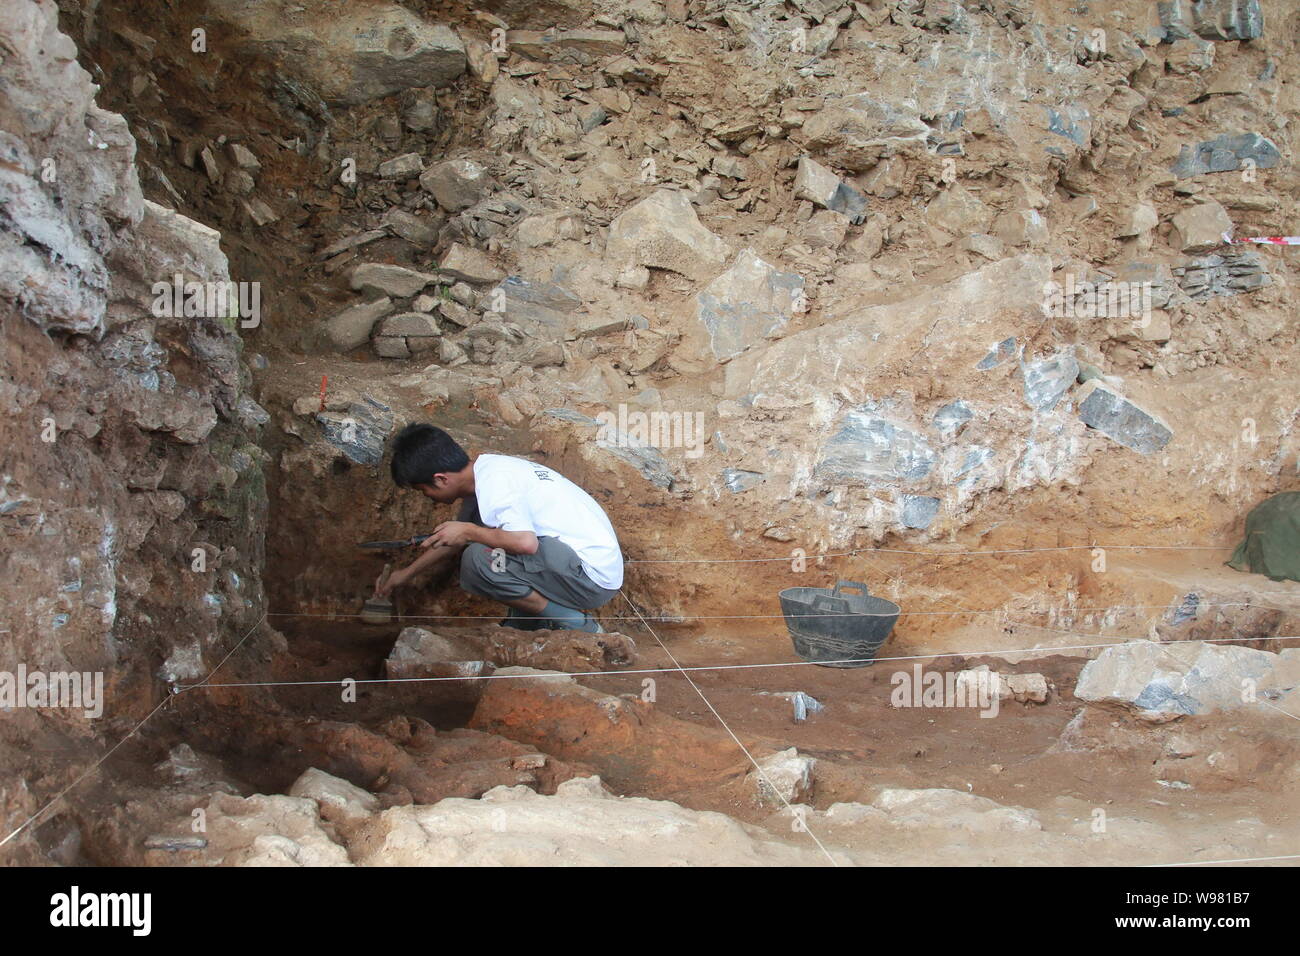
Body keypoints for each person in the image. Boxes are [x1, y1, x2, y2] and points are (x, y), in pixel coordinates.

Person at [374, 423, 622, 633]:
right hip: (581, 567)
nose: (426, 496)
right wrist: (403, 575)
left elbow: (525, 543)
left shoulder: (495, 483)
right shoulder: (485, 473)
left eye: (423, 489)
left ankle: (577, 624)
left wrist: (469, 531)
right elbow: (455, 540)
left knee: (480, 559)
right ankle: (526, 623)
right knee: (493, 547)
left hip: (591, 579)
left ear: (440, 479)